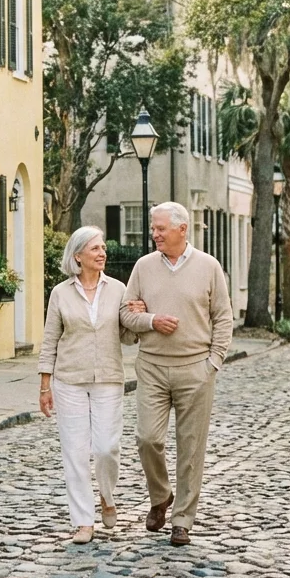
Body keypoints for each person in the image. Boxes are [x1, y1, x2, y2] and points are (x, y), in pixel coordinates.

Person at [120, 202, 233, 547]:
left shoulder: (209, 267)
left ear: (182, 230)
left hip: (195, 368)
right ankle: (161, 496)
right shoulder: (143, 267)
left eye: (160, 229)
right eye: (153, 228)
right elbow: (125, 314)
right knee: (147, 439)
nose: (154, 234)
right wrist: (151, 320)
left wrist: (212, 364)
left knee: (191, 447)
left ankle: (182, 520)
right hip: (152, 367)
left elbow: (223, 318)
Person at [39, 226, 151, 544]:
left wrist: (138, 315)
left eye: (103, 248)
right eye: (95, 249)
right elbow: (49, 341)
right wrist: (45, 386)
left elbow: (128, 336)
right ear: (78, 256)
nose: (102, 253)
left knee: (106, 448)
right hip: (69, 381)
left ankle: (107, 494)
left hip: (109, 379)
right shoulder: (60, 293)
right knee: (74, 453)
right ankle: (83, 522)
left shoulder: (118, 290)